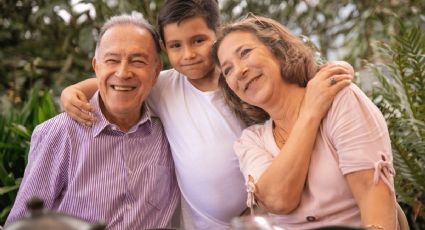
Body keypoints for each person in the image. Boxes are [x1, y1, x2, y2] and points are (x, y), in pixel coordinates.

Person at [60, 1, 354, 229]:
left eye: (198, 40)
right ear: (164, 49)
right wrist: (73, 90)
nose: (188, 54)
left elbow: (297, 80)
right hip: (201, 225)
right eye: (176, 46)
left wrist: (335, 70)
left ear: (218, 33)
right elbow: (120, 81)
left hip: (270, 216)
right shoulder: (163, 85)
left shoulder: (244, 82)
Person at [211, 15, 397, 229]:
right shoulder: (251, 141)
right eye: (228, 70)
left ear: (277, 52)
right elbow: (278, 200)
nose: (240, 71)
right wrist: (310, 113)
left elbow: (372, 195)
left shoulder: (339, 99)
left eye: (245, 53)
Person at [5, 13, 179, 229]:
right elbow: (23, 223)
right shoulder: (60, 133)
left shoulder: (170, 130)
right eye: (112, 60)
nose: (123, 72)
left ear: (155, 72)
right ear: (96, 67)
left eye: (138, 61)